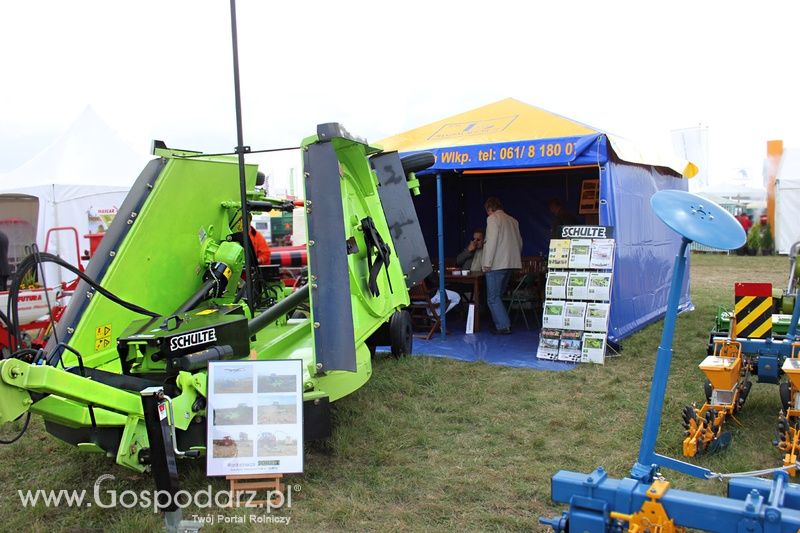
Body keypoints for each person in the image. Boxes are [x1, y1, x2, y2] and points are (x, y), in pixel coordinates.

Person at [481, 197, 522, 334]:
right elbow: (520, 243)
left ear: (489, 209)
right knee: (498, 296)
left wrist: (487, 263)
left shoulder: (493, 219)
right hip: (510, 263)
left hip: (496, 264)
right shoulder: (513, 220)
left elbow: (491, 242)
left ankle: (503, 326)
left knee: (492, 298)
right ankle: (499, 323)